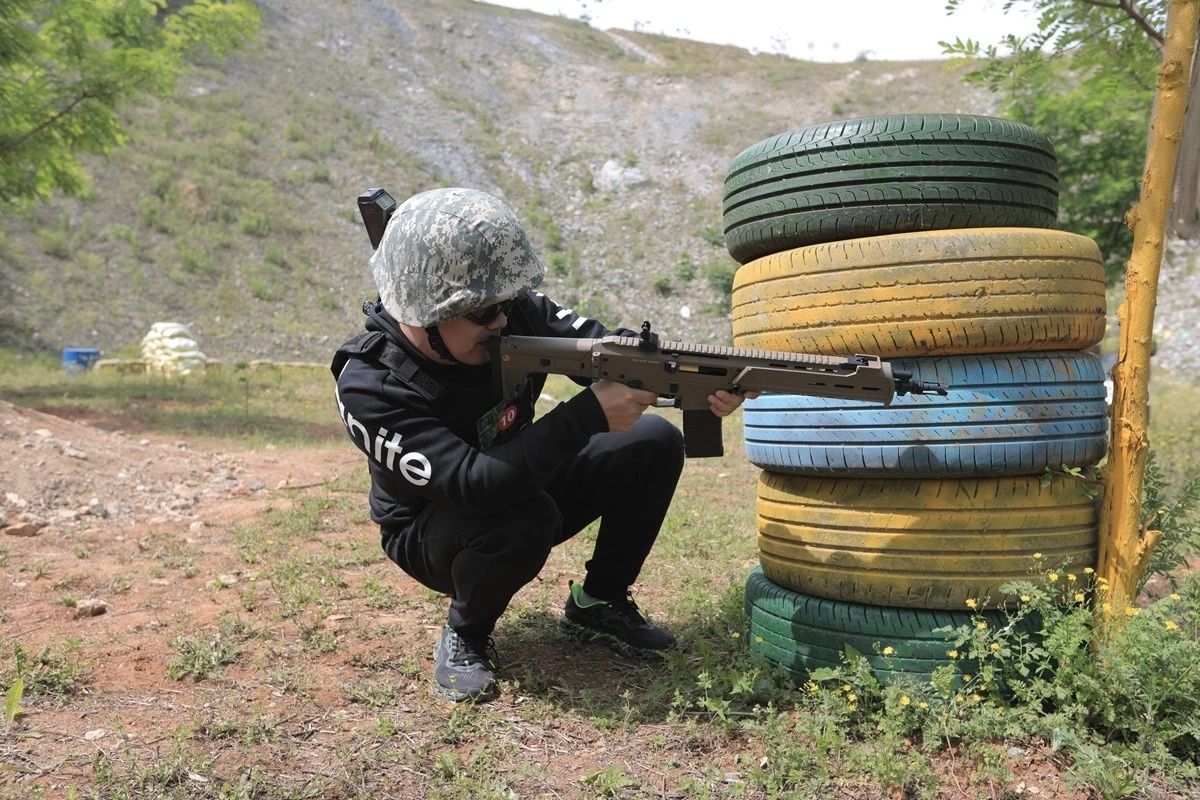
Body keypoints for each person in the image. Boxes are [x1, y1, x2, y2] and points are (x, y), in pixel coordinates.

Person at [331, 187, 747, 702]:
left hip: (521, 481)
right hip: (436, 528)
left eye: (506, 303)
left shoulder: (511, 312)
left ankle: (599, 603)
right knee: (523, 518)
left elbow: (603, 349)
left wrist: (690, 382)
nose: (503, 320)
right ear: (423, 313)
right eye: (484, 312)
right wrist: (590, 413)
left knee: (653, 441)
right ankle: (466, 632)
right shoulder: (370, 383)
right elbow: (471, 485)